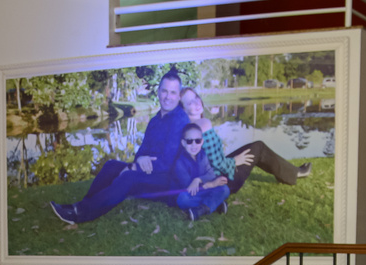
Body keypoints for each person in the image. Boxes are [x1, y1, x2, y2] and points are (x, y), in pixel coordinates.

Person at [50, 69, 188, 224]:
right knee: (111, 166)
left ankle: (79, 215)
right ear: (158, 92)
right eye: (164, 91)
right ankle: (82, 205)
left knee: (128, 177)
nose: (168, 97)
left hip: (167, 182)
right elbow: (141, 151)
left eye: (173, 93)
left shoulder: (180, 120)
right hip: (151, 172)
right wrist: (140, 159)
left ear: (179, 96)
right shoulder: (155, 120)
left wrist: (134, 168)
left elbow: (168, 163)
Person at [179, 88, 310, 194]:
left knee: (255, 148)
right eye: (190, 103)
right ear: (184, 110)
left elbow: (209, 161)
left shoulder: (188, 128)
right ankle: (295, 173)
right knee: (258, 147)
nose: (197, 103)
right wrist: (235, 161)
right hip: (222, 182)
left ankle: (284, 173)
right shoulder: (203, 124)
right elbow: (217, 163)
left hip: (210, 179)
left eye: (196, 97)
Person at [172, 122, 230, 220]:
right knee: (182, 199)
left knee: (225, 189)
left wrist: (198, 179)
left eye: (197, 141)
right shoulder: (180, 162)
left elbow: (211, 174)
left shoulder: (203, 155)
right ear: (183, 143)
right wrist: (210, 184)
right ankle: (215, 205)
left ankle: (202, 209)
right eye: (189, 141)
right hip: (189, 193)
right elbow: (189, 187)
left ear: (202, 142)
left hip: (203, 189)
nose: (194, 145)